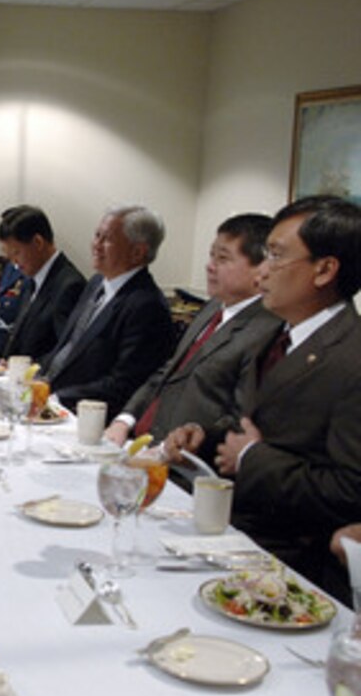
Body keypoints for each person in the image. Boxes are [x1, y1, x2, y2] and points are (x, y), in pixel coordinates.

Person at [167, 195, 361, 590]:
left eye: (275, 256)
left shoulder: (350, 358)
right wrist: (204, 437)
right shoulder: (279, 332)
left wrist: (253, 458)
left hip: (290, 565)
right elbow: (252, 421)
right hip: (229, 532)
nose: (262, 274)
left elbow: (349, 492)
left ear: (324, 270)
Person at [105, 213, 280, 459]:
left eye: (223, 258)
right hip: (136, 442)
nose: (210, 265)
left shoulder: (266, 330)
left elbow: (240, 418)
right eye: (212, 255)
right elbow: (168, 371)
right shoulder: (212, 308)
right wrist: (124, 420)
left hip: (182, 463)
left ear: (259, 271)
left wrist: (167, 450)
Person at [38, 205, 173, 418]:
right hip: (50, 399)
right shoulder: (96, 282)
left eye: (107, 239)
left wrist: (56, 398)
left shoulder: (147, 306)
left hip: (87, 416)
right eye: (97, 235)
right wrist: (34, 376)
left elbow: (123, 384)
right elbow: (68, 348)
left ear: (137, 252)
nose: (96, 245)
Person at [0, 205, 86, 362]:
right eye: (10, 256)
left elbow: (66, 352)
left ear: (38, 242)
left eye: (17, 253)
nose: (15, 264)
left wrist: (23, 368)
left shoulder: (69, 286)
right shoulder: (31, 278)